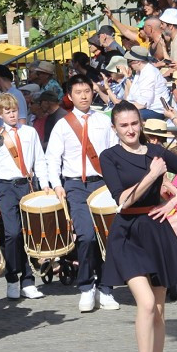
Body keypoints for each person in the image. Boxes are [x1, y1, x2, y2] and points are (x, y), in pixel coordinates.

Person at [99, 101, 177, 352]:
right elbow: (123, 200)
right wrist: (152, 174)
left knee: (158, 309)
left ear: (140, 124)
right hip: (128, 231)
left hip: (156, 230)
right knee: (145, 304)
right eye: (124, 125)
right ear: (115, 128)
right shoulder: (110, 157)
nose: (131, 130)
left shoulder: (157, 152)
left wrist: (171, 203)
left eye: (134, 123)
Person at [46, 75, 119, 312]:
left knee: (107, 237)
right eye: (78, 92)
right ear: (70, 96)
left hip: (102, 184)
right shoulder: (63, 124)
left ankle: (107, 287)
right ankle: (86, 286)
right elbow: (53, 158)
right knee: (86, 236)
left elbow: (113, 152)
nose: (84, 96)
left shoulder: (103, 120)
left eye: (87, 91)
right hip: (75, 185)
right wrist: (56, 184)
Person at [0, 93, 49, 300]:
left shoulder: (29, 132)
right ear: (0, 114)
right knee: (12, 234)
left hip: (27, 184)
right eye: (8, 112)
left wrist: (44, 185)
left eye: (14, 111)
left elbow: (39, 159)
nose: (12, 115)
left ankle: (28, 281)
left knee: (29, 233)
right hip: (6, 188)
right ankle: (12, 278)